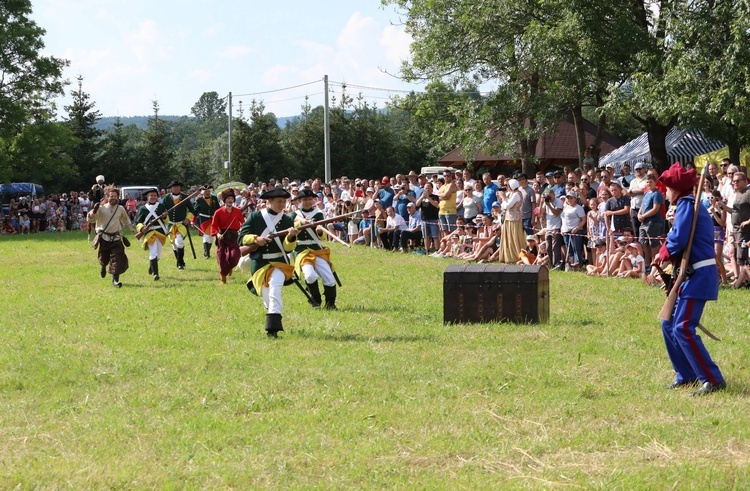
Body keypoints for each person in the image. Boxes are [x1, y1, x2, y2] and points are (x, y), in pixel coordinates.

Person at [653, 163, 725, 396]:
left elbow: (679, 238)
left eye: (667, 188)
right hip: (690, 275)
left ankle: (713, 379)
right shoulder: (686, 206)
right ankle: (686, 375)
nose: (665, 192)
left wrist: (663, 254)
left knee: (683, 327)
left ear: (675, 189)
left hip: (699, 275)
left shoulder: (686, 205)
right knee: (668, 324)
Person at [238, 187, 299, 338]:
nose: (283, 205)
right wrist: (255, 239)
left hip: (279, 263)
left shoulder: (287, 220)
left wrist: (291, 237)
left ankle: (272, 329)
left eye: (284, 201)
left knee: (275, 289)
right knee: (269, 298)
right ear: (269, 201)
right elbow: (242, 238)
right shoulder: (255, 217)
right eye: (279, 201)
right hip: (260, 265)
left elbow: (288, 248)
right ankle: (272, 313)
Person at [290, 188, 338, 309]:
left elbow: (322, 236)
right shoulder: (294, 215)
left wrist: (319, 231)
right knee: (310, 275)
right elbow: (292, 228)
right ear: (300, 201)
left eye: (310, 199)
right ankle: (315, 300)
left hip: (317, 249)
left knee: (329, 278)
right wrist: (301, 222)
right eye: (305, 199)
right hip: (302, 251)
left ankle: (330, 304)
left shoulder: (318, 214)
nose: (307, 202)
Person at [88, 186, 136, 288]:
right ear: (107, 197)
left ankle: (115, 280)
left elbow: (126, 221)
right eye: (111, 196)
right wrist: (93, 211)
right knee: (104, 258)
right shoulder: (101, 208)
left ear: (118, 197)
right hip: (104, 238)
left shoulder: (120, 208)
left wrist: (133, 230)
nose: (113, 198)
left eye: (115, 196)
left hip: (116, 237)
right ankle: (103, 266)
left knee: (117, 258)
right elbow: (91, 219)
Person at [161, 180, 196, 270]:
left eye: (178, 186)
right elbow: (161, 209)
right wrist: (163, 214)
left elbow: (192, 210)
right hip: (170, 225)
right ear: (171, 188)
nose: (176, 188)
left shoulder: (185, 197)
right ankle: (180, 261)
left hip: (181, 225)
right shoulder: (166, 198)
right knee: (174, 244)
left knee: (179, 241)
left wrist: (188, 218)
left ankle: (180, 263)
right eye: (174, 186)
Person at [135, 188, 168, 281]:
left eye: (154, 195)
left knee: (158, 254)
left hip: (160, 233)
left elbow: (166, 221)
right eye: (151, 195)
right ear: (147, 197)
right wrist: (142, 228)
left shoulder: (161, 206)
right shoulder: (143, 208)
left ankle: (152, 266)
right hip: (150, 233)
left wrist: (165, 217)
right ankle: (156, 274)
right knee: (153, 252)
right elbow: (139, 222)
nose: (153, 197)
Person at [729, 171, 750, 288]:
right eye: (733, 181)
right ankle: (743, 281)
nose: (735, 183)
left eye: (737, 181)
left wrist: (748, 221)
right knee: (739, 256)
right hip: (736, 229)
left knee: (743, 256)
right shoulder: (738, 193)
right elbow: (735, 212)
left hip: (745, 230)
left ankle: (743, 282)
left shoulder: (748, 192)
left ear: (744, 180)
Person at [498, 179, 526, 263]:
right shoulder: (512, 194)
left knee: (513, 239)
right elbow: (504, 206)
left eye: (507, 186)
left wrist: (503, 198)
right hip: (509, 218)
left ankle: (514, 256)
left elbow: (507, 205)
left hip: (514, 220)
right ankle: (507, 256)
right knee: (508, 239)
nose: (506, 187)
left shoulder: (517, 194)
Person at [194, 187, 220, 259]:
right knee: (206, 236)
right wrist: (192, 220)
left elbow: (218, 209)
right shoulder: (199, 200)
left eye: (208, 191)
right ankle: (206, 253)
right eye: (206, 192)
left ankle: (207, 252)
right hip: (203, 220)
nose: (207, 193)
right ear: (202, 193)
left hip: (213, 219)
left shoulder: (214, 198)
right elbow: (195, 211)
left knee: (211, 236)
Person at [87, 175, 107, 241]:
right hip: (95, 202)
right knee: (93, 210)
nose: (100, 181)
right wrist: (95, 199)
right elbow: (90, 194)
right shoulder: (94, 187)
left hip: (103, 202)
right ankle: (91, 220)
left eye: (101, 180)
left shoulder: (105, 187)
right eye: (99, 181)